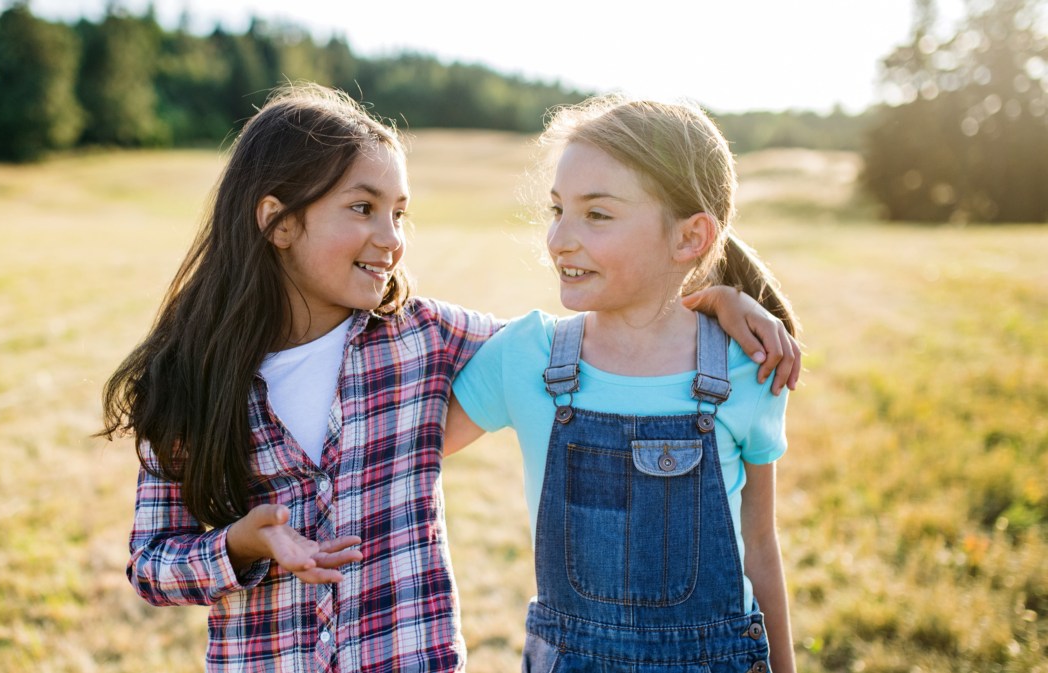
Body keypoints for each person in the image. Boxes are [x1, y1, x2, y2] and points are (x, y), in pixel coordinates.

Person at [99, 83, 799, 673]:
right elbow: (152, 564)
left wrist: (718, 295)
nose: (393, 238)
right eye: (363, 207)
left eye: (399, 213)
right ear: (277, 221)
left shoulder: (419, 339)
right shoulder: (188, 383)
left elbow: (604, 342)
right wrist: (240, 543)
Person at [446, 94, 799, 673]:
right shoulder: (526, 356)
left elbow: (760, 548)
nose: (560, 238)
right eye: (556, 209)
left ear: (690, 239)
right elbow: (407, 450)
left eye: (597, 214)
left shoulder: (747, 370)